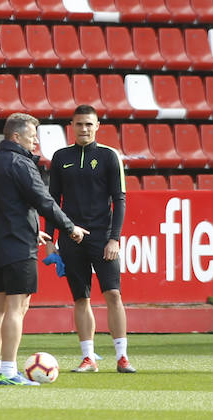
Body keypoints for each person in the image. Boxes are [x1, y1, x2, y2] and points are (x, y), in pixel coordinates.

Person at [0, 113, 88, 386]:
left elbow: (6, 204)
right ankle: (8, 371)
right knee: (17, 306)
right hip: (18, 245)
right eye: (31, 136)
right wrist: (70, 228)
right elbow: (45, 202)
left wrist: (32, 228)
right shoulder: (21, 164)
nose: (36, 141)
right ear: (16, 137)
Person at [44, 105, 135, 374]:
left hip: (102, 237)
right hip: (71, 239)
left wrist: (114, 239)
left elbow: (119, 199)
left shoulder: (109, 157)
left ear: (97, 127)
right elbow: (52, 202)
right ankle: (88, 358)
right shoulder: (60, 157)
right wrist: (51, 239)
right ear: (71, 126)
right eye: (79, 124)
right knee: (80, 298)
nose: (84, 129)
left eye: (88, 124)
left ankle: (122, 357)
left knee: (113, 294)